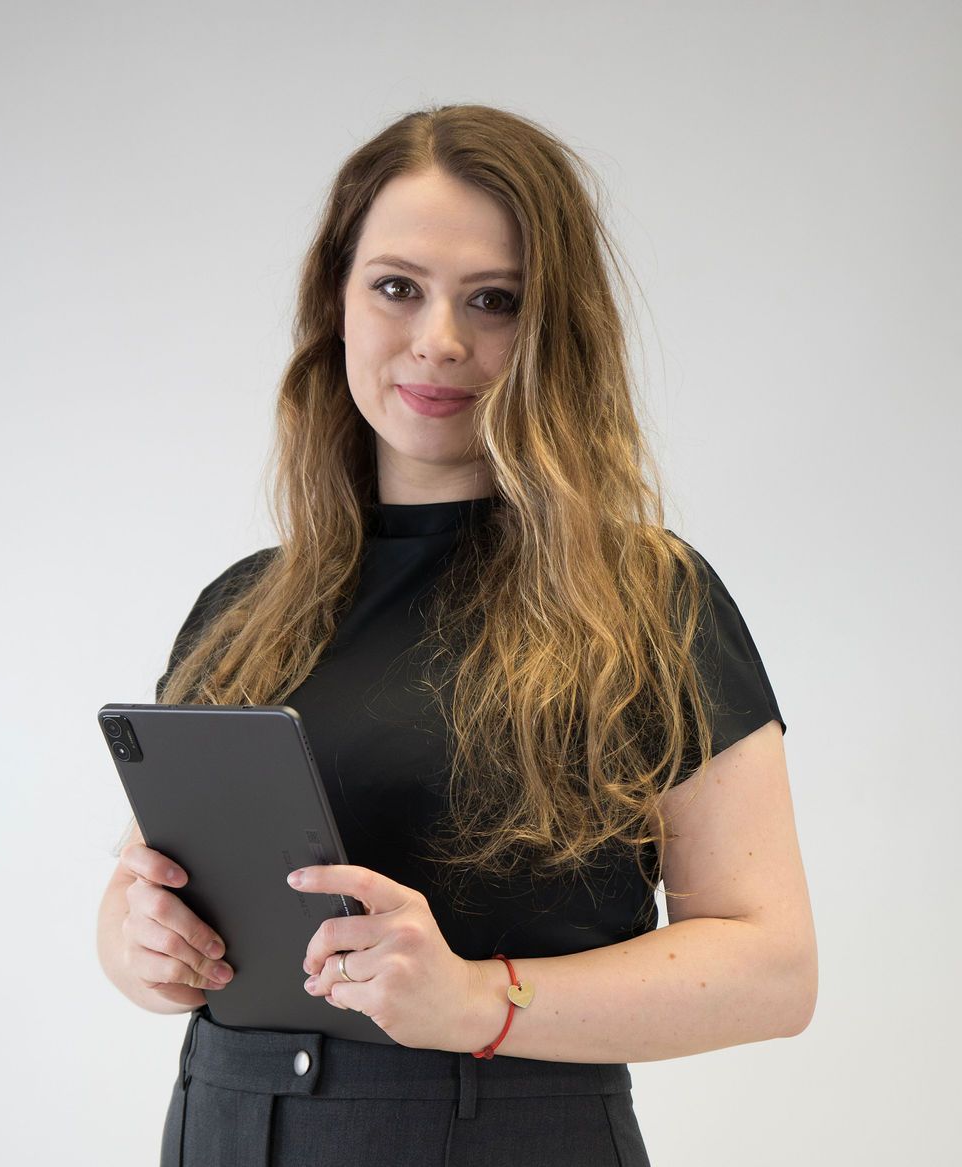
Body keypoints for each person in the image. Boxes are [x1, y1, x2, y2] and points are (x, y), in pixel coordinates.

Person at [96, 103, 817, 1166]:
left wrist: (478, 1000)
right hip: (221, 1122)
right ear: (334, 301)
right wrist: (137, 949)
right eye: (397, 287)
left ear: (550, 331)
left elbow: (773, 970)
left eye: (494, 301)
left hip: (498, 1134)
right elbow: (151, 902)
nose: (439, 339)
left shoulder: (646, 599)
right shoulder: (239, 606)